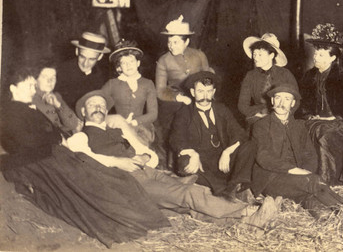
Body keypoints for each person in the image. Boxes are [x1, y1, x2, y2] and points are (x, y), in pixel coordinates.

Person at [0, 67, 169, 248]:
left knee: (111, 176)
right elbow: (28, 143)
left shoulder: (29, 109)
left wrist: (57, 139)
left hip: (53, 154)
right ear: (13, 88)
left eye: (34, 86)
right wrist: (57, 139)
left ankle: (146, 218)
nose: (34, 90)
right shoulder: (8, 112)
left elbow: (51, 133)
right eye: (29, 86)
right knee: (89, 185)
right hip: (38, 162)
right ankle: (129, 221)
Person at [75, 90, 280, 225]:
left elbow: (152, 157)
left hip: (149, 172)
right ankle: (248, 211)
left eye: (102, 105)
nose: (98, 108)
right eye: (93, 105)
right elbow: (83, 159)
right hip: (129, 181)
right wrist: (118, 162)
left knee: (190, 197)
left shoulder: (116, 128)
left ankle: (241, 222)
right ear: (83, 111)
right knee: (187, 193)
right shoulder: (80, 137)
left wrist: (145, 156)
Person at [250, 84, 343, 213]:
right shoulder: (261, 125)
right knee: (313, 180)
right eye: (278, 98)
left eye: (287, 99)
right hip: (270, 179)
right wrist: (295, 170)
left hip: (296, 179)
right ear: (272, 101)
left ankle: (324, 216)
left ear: (293, 103)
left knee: (309, 195)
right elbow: (263, 157)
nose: (281, 103)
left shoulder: (299, 126)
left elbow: (310, 155)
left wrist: (306, 171)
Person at [170, 71, 255, 201]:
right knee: (185, 161)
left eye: (209, 91)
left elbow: (239, 132)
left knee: (250, 145)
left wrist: (227, 151)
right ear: (193, 92)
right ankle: (223, 191)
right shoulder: (184, 113)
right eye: (200, 91)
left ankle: (237, 185)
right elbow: (176, 138)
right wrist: (193, 153)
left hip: (222, 161)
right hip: (201, 163)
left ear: (213, 92)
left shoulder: (222, 109)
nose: (205, 96)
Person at [299, 24, 343, 185]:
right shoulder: (309, 76)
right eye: (316, 53)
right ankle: (306, 178)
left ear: (332, 58)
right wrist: (308, 114)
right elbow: (303, 102)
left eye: (321, 54)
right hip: (316, 120)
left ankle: (326, 180)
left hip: (340, 122)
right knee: (301, 130)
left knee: (324, 135)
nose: (315, 57)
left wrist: (334, 117)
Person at [155, 15, 213, 140]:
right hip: (176, 100)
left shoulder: (199, 55)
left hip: (200, 95)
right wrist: (178, 97)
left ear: (186, 42)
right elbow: (160, 91)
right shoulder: (163, 60)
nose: (171, 46)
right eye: (169, 42)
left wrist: (205, 95)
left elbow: (209, 78)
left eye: (175, 42)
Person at [101, 39, 157, 145]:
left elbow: (153, 114)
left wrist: (135, 122)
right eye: (124, 63)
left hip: (141, 128)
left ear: (138, 63)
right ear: (119, 67)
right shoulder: (112, 84)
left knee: (138, 145)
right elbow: (100, 104)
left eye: (131, 61)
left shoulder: (147, 83)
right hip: (118, 127)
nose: (128, 65)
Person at [238, 33, 299, 128]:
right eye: (254, 54)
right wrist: (255, 114)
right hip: (258, 118)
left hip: (282, 118)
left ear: (271, 55)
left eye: (260, 55)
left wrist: (282, 116)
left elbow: (296, 101)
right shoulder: (250, 76)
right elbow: (242, 104)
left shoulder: (285, 74)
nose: (256, 58)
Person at [55, 32, 110, 110]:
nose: (85, 63)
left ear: (100, 57)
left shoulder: (103, 76)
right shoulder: (61, 72)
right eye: (82, 57)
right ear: (77, 51)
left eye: (91, 59)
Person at [32, 61, 82, 136]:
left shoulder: (56, 97)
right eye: (45, 77)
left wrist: (58, 105)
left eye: (53, 77)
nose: (50, 81)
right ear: (35, 80)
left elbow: (73, 124)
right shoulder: (30, 99)